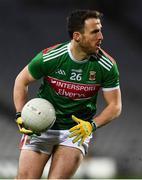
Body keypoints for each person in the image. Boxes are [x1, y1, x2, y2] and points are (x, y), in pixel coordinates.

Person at [13, 9, 122, 179]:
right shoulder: (50, 57)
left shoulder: (106, 65)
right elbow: (21, 81)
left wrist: (91, 126)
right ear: (77, 36)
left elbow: (115, 106)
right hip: (40, 126)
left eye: (100, 30)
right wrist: (20, 114)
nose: (101, 36)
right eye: (95, 31)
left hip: (75, 131)